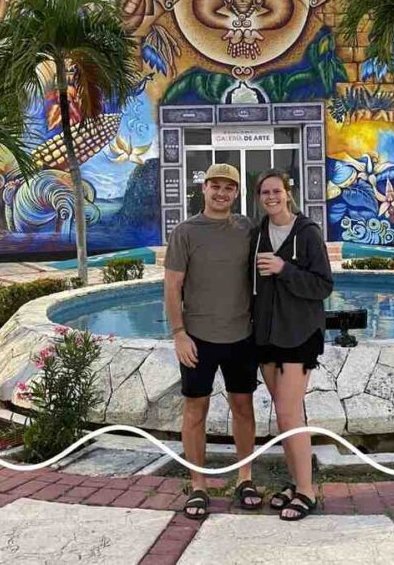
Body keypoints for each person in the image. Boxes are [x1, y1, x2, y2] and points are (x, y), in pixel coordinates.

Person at [164, 163, 262, 519]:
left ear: (237, 193)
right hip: (198, 339)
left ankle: (245, 478)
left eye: (229, 187)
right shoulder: (185, 232)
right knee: (195, 410)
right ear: (204, 188)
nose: (222, 193)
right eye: (215, 186)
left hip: (241, 336)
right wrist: (179, 334)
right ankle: (198, 485)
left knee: (243, 407)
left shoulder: (248, 229)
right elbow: (172, 287)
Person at [251, 169, 333, 521]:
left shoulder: (307, 232)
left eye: (276, 191)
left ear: (288, 193)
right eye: (265, 192)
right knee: (285, 415)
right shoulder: (257, 234)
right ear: (259, 198)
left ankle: (307, 492)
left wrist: (284, 268)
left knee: (288, 412)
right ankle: (297, 481)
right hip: (267, 336)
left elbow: (323, 285)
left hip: (299, 335)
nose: (271, 197)